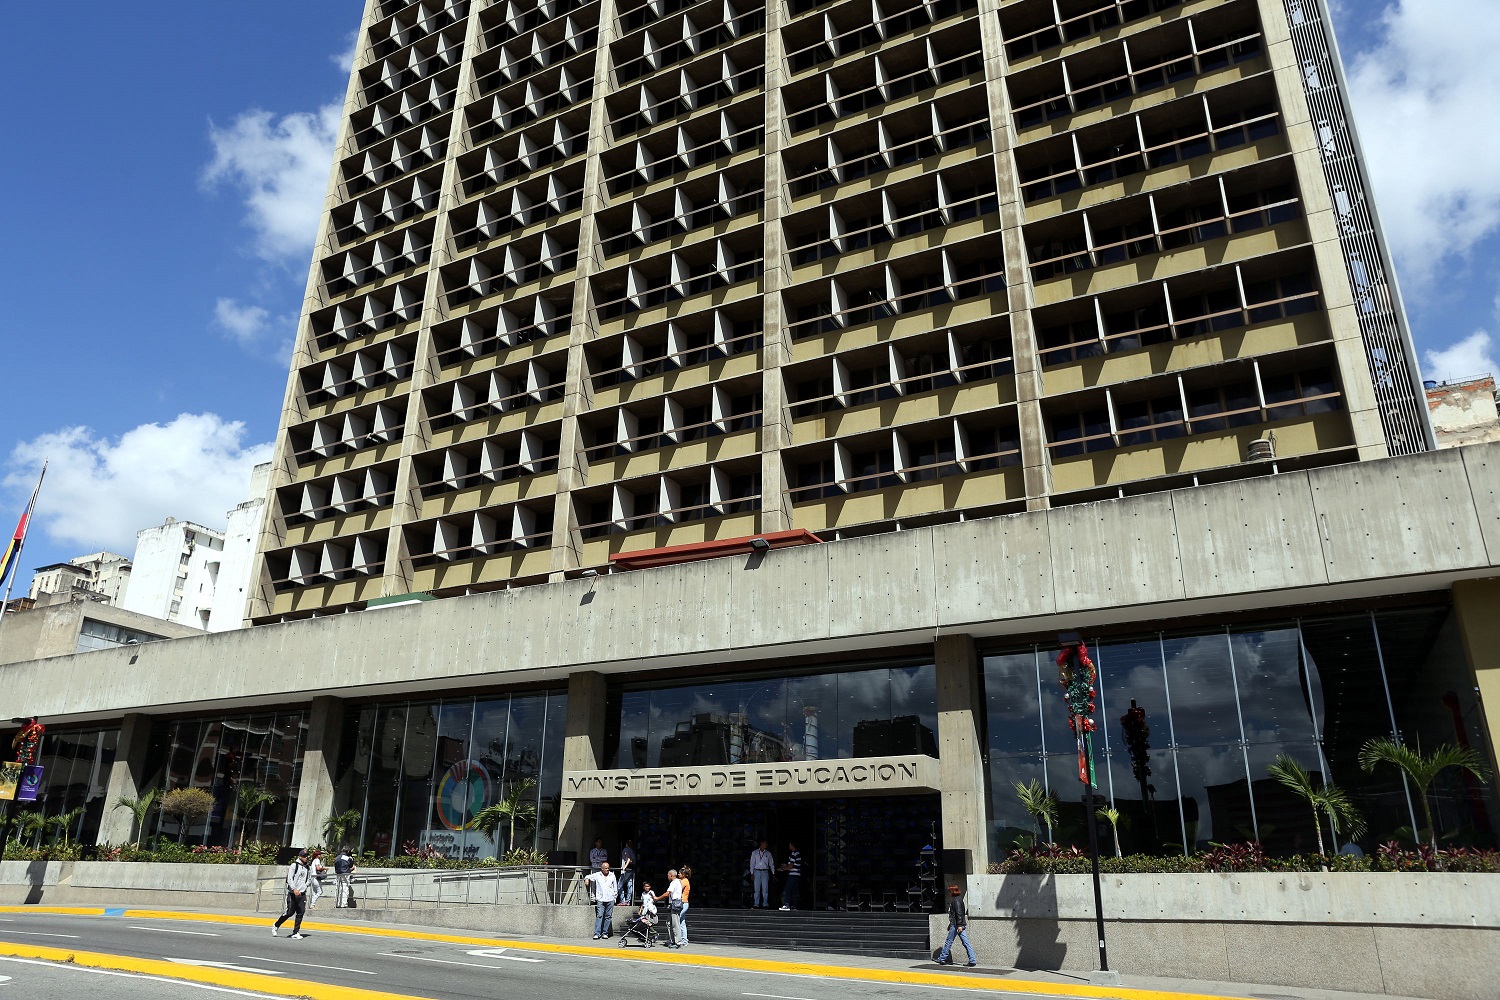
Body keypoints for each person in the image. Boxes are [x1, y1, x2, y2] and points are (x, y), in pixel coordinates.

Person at [271, 849, 312, 939]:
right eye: (304, 856)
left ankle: (295, 932)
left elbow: (309, 879)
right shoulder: (294, 865)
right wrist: (294, 889)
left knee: (301, 912)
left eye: (307, 856)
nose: (306, 858)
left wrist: (305, 887)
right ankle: (276, 925)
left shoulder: (308, 867)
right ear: (299, 857)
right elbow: (290, 878)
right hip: (293, 893)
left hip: (302, 893)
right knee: (289, 912)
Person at [936, 884, 978, 967]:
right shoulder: (959, 899)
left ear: (952, 891)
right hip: (958, 924)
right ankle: (972, 960)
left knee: (949, 941)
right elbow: (958, 914)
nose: (948, 893)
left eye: (949, 891)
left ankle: (942, 958)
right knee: (966, 942)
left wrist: (958, 925)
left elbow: (959, 913)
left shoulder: (956, 900)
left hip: (956, 925)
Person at [585, 860, 618, 940]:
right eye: (606, 868)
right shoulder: (597, 875)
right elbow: (588, 876)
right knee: (599, 915)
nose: (607, 869)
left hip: (610, 898)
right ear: (602, 869)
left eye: (608, 868)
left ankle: (605, 933)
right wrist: (586, 879)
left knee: (608, 917)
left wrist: (614, 897)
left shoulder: (612, 875)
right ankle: (597, 933)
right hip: (601, 898)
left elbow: (615, 887)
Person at [654, 869, 683, 948]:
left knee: (675, 923)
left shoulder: (674, 882)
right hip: (672, 904)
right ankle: (673, 940)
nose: (667, 877)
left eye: (668, 875)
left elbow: (667, 893)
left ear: (671, 875)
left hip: (675, 903)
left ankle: (678, 942)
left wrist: (657, 898)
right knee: (669, 923)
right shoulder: (676, 882)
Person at [750, 840, 774, 908]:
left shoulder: (768, 853)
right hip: (756, 871)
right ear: (761, 843)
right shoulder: (754, 853)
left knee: (765, 889)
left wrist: (773, 873)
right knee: (756, 889)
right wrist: (752, 873)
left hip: (765, 871)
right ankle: (756, 904)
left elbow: (771, 864)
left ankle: (765, 904)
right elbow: (752, 863)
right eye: (765, 843)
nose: (766, 845)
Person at [778, 841, 802, 911]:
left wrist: (783, 869)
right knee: (794, 891)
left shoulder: (793, 854)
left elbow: (791, 866)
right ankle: (794, 906)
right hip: (797, 875)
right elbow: (793, 864)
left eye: (790, 844)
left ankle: (786, 904)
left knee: (787, 890)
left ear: (792, 845)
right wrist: (786, 865)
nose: (789, 846)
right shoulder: (798, 853)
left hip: (793, 875)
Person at [675, 865, 692, 947]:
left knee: (677, 920)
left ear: (684, 875)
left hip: (683, 903)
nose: (678, 874)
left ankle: (679, 939)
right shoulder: (683, 880)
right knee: (682, 922)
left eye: (680, 873)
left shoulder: (684, 881)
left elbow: (678, 889)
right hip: (683, 903)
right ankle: (684, 940)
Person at [617, 839, 637, 905]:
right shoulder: (632, 850)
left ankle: (623, 900)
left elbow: (628, 858)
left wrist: (624, 867)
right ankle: (628, 901)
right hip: (631, 869)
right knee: (629, 885)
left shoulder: (626, 849)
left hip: (627, 869)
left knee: (619, 885)